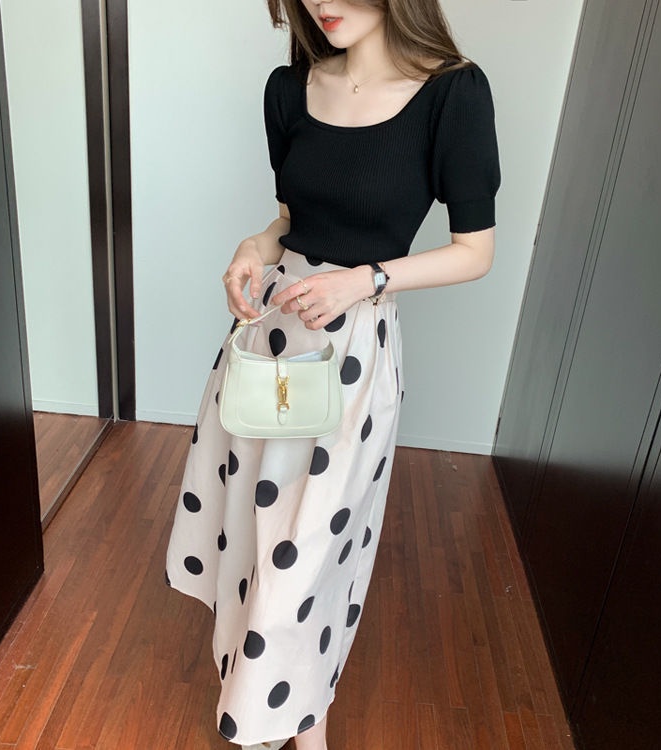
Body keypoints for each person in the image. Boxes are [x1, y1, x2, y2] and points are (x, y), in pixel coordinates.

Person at [165, 0, 500, 748]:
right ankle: (266, 705)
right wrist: (253, 246)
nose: (321, 3)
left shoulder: (453, 93)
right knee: (253, 534)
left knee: (309, 548)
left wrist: (365, 280)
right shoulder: (290, 89)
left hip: (353, 353)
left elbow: (475, 253)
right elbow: (290, 218)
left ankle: (298, 720)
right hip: (268, 338)